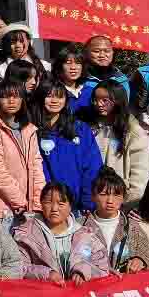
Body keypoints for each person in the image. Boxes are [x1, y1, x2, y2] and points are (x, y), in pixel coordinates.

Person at [12, 182, 109, 285]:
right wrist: (47, 274)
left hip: (77, 294)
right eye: (48, 202)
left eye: (61, 204)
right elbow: (18, 266)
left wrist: (82, 272)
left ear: (70, 206)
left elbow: (102, 266)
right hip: (43, 293)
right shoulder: (26, 234)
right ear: (41, 204)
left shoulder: (86, 235)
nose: (54, 209)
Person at [32, 77, 104, 211]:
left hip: (78, 206)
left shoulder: (80, 129)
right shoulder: (31, 131)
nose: (54, 101)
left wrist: (88, 202)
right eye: (49, 96)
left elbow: (92, 167)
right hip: (44, 205)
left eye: (59, 96)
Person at [0, 80, 45, 219]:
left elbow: (37, 168)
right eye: (5, 97)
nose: (11, 101)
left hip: (30, 208)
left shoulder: (29, 129)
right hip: (4, 207)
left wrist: (37, 203)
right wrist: (21, 203)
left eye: (16, 96)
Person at [81, 82, 149, 202]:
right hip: (91, 199)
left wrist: (125, 200)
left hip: (121, 201)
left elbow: (141, 172)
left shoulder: (133, 131)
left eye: (105, 100)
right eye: (96, 100)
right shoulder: (87, 127)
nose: (99, 104)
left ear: (118, 100)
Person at [83, 167, 149, 272]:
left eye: (116, 195)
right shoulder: (80, 225)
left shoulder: (131, 226)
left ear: (123, 198)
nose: (110, 201)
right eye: (103, 194)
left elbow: (148, 255)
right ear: (93, 196)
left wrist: (140, 260)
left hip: (123, 281)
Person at [79, 35, 129, 109]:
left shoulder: (121, 79)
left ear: (112, 52)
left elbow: (123, 108)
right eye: (96, 51)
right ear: (86, 53)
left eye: (107, 51)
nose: (102, 55)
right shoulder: (79, 77)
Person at [50, 43, 89, 110]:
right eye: (68, 63)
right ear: (60, 66)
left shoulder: (90, 91)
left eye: (78, 63)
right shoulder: (52, 92)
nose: (73, 67)